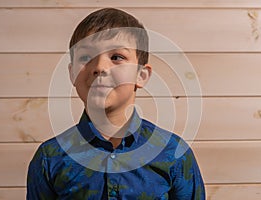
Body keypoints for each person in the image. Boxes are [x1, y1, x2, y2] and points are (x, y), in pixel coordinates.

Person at [27, 8, 205, 199]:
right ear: (72, 74)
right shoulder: (50, 158)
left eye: (117, 57)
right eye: (86, 57)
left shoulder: (173, 153)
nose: (100, 67)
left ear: (141, 75)